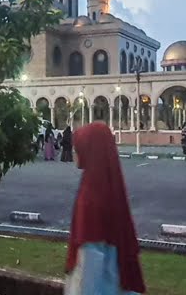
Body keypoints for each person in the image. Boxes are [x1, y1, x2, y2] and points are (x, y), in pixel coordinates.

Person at [65, 122, 145, 295]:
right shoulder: (111, 187)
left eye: (77, 148)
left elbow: (89, 265)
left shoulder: (90, 196)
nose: (74, 153)